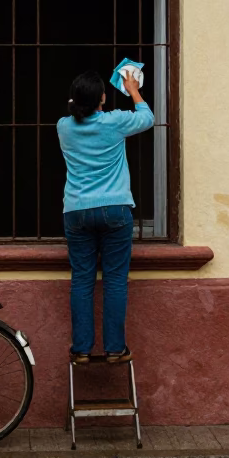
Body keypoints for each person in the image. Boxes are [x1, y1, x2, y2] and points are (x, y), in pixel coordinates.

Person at [57, 68, 154, 365]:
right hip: (115, 209)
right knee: (114, 281)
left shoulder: (63, 126)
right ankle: (115, 349)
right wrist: (133, 88)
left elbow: (76, 112)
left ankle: (82, 349)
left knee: (82, 281)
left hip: (76, 211)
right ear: (102, 97)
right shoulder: (115, 122)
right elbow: (147, 118)